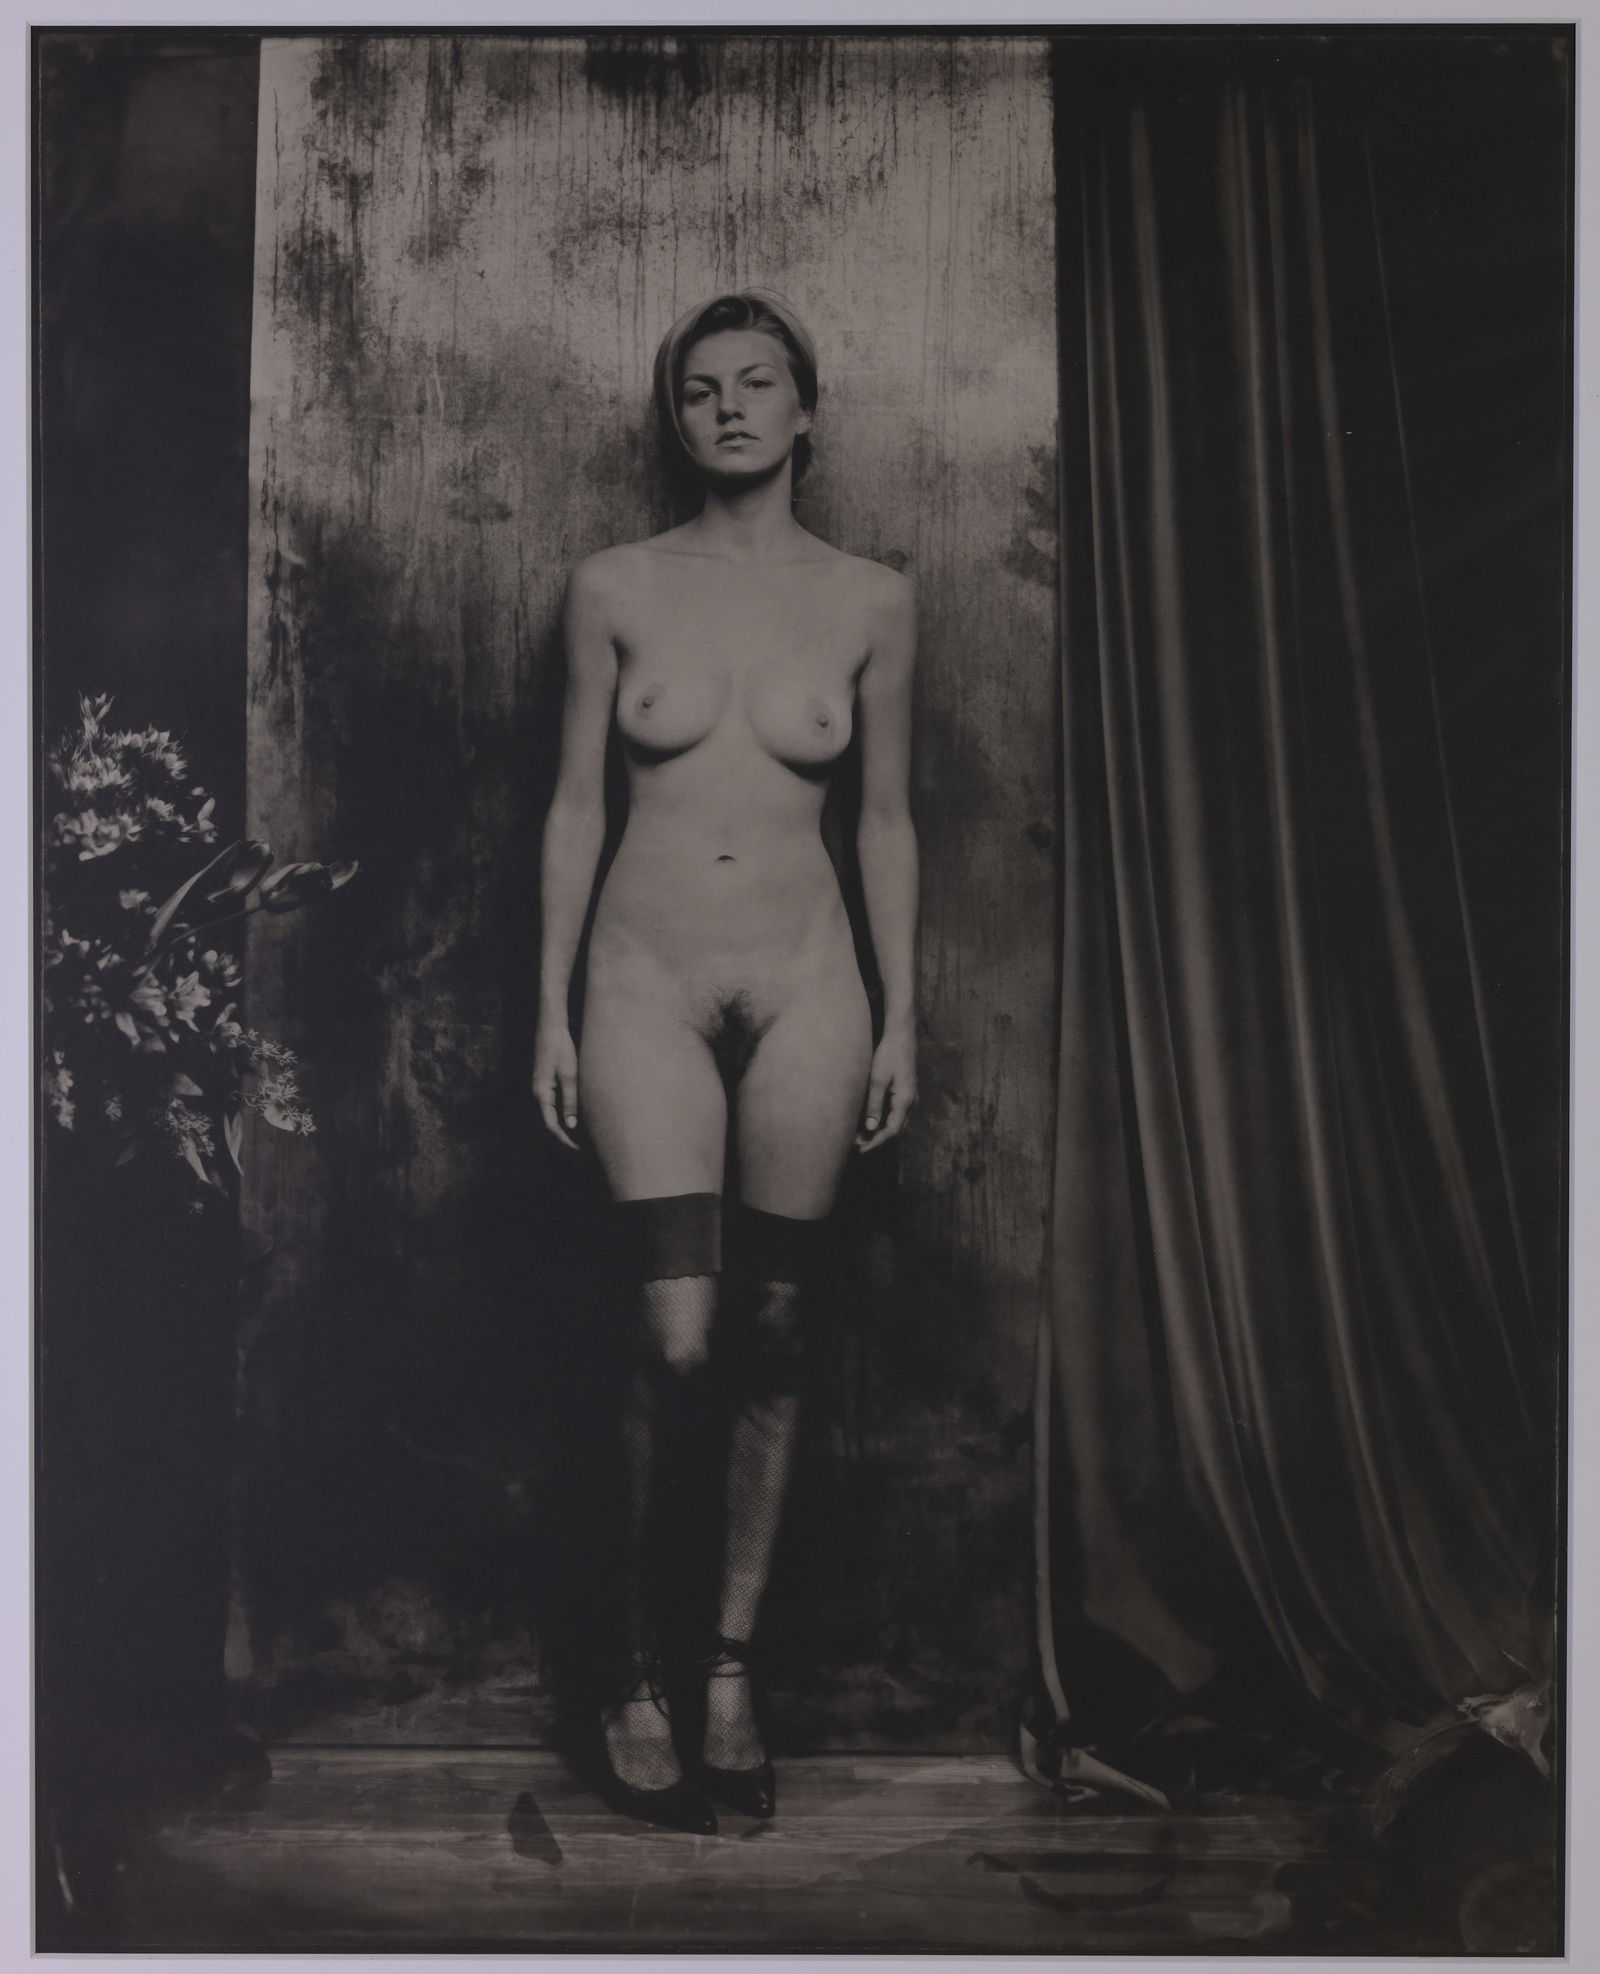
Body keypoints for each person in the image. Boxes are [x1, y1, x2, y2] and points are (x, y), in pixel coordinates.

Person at [532, 290, 918, 1833]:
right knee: (678, 1335)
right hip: (645, 983)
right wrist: (551, 1008)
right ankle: (630, 1667)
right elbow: (575, 805)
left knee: (772, 1323)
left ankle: (727, 1667)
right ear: (675, 418)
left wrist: (903, 1011)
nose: (732, 409)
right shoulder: (615, 584)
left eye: (760, 384)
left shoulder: (873, 598)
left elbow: (884, 818)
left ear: (806, 411)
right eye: (702, 390)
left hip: (811, 983)